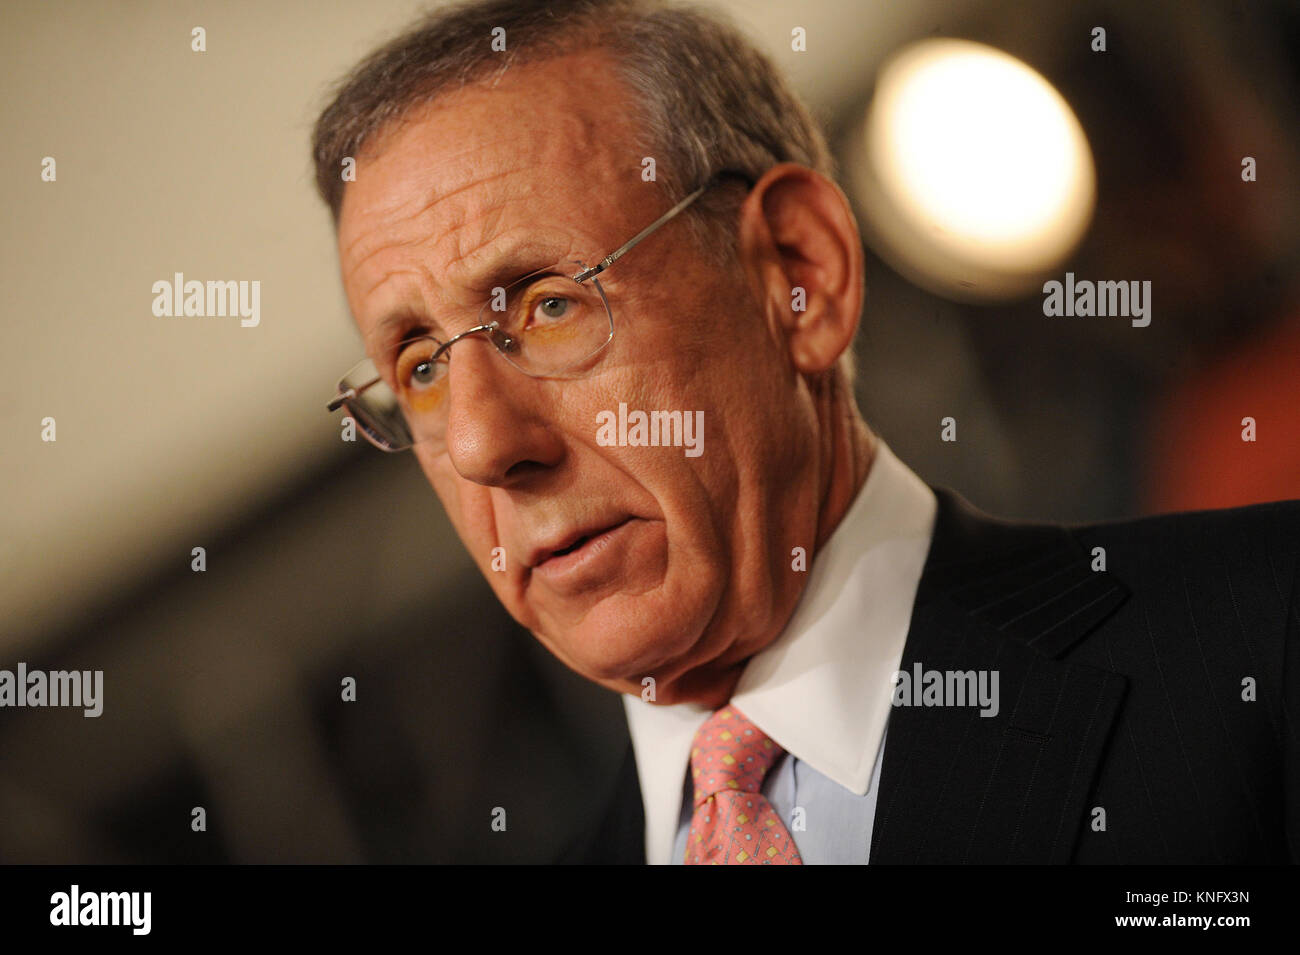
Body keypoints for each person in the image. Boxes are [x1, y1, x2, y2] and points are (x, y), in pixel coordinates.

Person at [314, 0, 1299, 863]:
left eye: (545, 306)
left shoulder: (1258, 640)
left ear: (798, 272)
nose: (486, 445)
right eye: (423, 367)